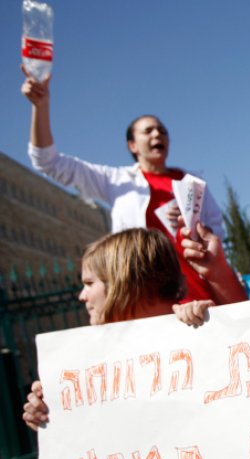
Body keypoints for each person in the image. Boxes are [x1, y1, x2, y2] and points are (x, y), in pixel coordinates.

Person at [20, 70, 224, 303]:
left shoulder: (192, 184)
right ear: (132, 145)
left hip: (199, 292)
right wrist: (40, 105)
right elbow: (48, 162)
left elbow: (217, 233)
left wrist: (192, 225)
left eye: (162, 131)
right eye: (148, 131)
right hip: (144, 298)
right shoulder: (116, 181)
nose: (158, 134)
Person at [21, 228, 204, 430]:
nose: (82, 296)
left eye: (90, 283)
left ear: (124, 282)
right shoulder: (86, 364)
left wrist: (204, 322)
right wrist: (50, 417)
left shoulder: (197, 328)